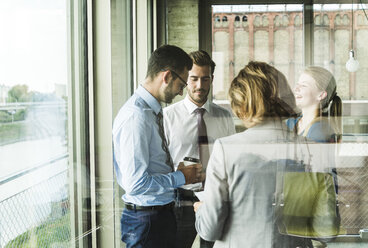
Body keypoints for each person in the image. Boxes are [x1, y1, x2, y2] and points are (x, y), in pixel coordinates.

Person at [194, 61, 312, 247]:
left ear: (242, 105)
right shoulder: (304, 147)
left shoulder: (226, 148)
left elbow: (210, 229)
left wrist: (201, 211)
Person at [113, 45, 204, 248]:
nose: (182, 92)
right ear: (167, 77)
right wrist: (182, 177)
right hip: (147, 223)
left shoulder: (149, 112)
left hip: (157, 217)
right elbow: (135, 183)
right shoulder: (136, 116)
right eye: (181, 83)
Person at [163, 50, 235, 248]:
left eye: (205, 79)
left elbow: (231, 159)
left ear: (212, 79)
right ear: (186, 78)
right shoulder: (167, 117)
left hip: (215, 199)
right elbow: (161, 163)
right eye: (194, 79)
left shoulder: (224, 117)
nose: (199, 86)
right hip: (181, 200)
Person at [286, 66, 342, 143]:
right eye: (297, 84)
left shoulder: (320, 130)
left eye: (304, 85)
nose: (296, 89)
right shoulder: (291, 123)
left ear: (321, 95)